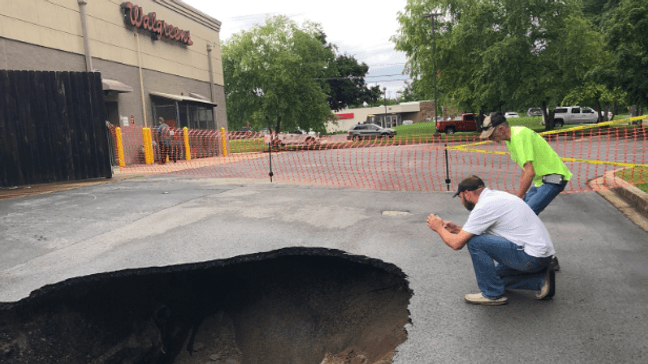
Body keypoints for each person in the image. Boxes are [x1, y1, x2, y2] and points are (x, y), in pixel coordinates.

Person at [427, 175, 556, 306]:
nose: (462, 202)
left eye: (461, 198)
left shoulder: (484, 207)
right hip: (542, 256)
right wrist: (456, 230)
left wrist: (438, 228)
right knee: (493, 277)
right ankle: (541, 281)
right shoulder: (498, 196)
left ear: (467, 194)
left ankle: (492, 294)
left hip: (531, 257)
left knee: (475, 242)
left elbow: (456, 244)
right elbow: (481, 231)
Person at [480, 111, 571, 270]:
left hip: (552, 179)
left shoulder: (519, 135)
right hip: (540, 182)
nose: (490, 138)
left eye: (491, 134)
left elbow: (530, 171)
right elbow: (525, 169)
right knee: (522, 216)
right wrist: (519, 197)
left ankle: (542, 259)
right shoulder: (511, 139)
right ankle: (547, 258)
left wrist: (520, 196)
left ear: (501, 129)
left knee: (523, 218)